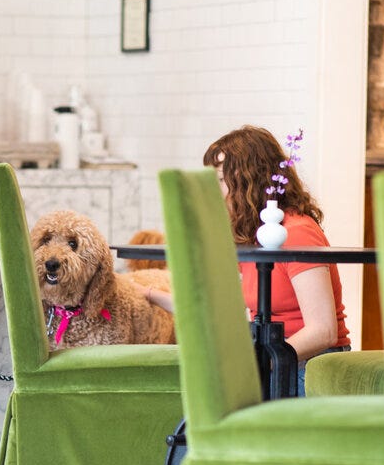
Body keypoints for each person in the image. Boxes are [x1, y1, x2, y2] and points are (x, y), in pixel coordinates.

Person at [142, 125, 350, 396]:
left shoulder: (296, 232)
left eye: (219, 179)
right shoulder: (254, 236)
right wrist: (147, 293)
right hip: (276, 361)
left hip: (311, 367)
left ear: (249, 179)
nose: (214, 191)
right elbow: (214, 308)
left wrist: (257, 364)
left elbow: (323, 331)